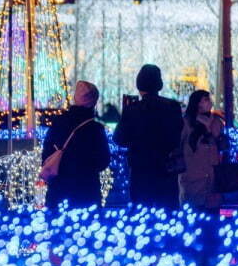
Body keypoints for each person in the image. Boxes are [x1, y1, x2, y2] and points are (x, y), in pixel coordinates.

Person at [114, 64, 182, 208]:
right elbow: (178, 136)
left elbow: (119, 138)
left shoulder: (132, 109)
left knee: (142, 211)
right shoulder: (172, 107)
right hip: (167, 168)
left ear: (140, 85)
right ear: (159, 84)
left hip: (141, 169)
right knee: (167, 210)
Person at [42, 81, 110, 210]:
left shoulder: (58, 122)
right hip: (86, 193)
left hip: (58, 193)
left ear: (75, 98)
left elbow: (46, 154)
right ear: (94, 103)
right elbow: (103, 160)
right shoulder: (95, 129)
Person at [178, 90, 226, 211]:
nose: (210, 102)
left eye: (209, 99)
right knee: (193, 210)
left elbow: (222, 144)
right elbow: (180, 143)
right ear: (197, 103)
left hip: (212, 174)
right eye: (206, 100)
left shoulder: (216, 122)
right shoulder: (186, 122)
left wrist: (210, 129)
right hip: (192, 173)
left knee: (212, 213)